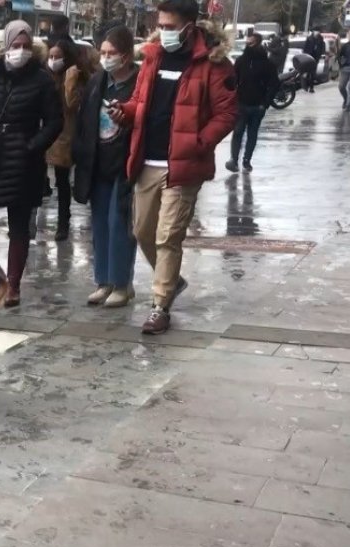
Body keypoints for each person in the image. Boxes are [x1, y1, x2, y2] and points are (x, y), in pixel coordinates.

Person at [108, 0, 236, 334]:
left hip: (183, 165)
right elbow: (139, 102)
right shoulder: (153, 57)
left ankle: (159, 306)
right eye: (160, 25)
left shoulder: (214, 62)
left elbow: (227, 113)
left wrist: (199, 143)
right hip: (147, 160)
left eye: (169, 27)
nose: (163, 32)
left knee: (168, 236)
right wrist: (124, 112)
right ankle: (172, 280)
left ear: (189, 27)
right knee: (142, 231)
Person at [0, 20, 62, 307]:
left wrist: (33, 146)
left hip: (23, 162)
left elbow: (55, 121)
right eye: (15, 45)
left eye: (25, 46)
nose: (20, 51)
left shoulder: (42, 81)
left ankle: (14, 285)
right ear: (6, 46)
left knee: (19, 226)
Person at [73, 25, 139, 308]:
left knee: (119, 223)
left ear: (126, 55)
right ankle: (104, 281)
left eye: (112, 53)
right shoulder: (97, 81)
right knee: (99, 224)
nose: (106, 58)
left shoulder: (139, 82)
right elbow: (83, 119)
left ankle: (121, 283)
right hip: (97, 161)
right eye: (103, 52)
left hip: (125, 163)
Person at [45, 38, 93, 241]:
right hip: (49, 134)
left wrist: (70, 79)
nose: (53, 60)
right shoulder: (47, 76)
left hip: (67, 136)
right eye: (50, 56)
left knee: (63, 182)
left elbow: (71, 103)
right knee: (48, 181)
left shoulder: (76, 78)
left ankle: (63, 222)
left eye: (57, 57)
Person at [227, 33, 279, 173]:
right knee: (238, 131)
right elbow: (233, 80)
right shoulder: (241, 61)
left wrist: (265, 103)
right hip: (241, 103)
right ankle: (234, 160)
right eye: (247, 43)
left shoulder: (267, 64)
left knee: (252, 133)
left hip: (258, 105)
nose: (248, 45)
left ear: (258, 43)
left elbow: (274, 84)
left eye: (251, 43)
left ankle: (246, 160)